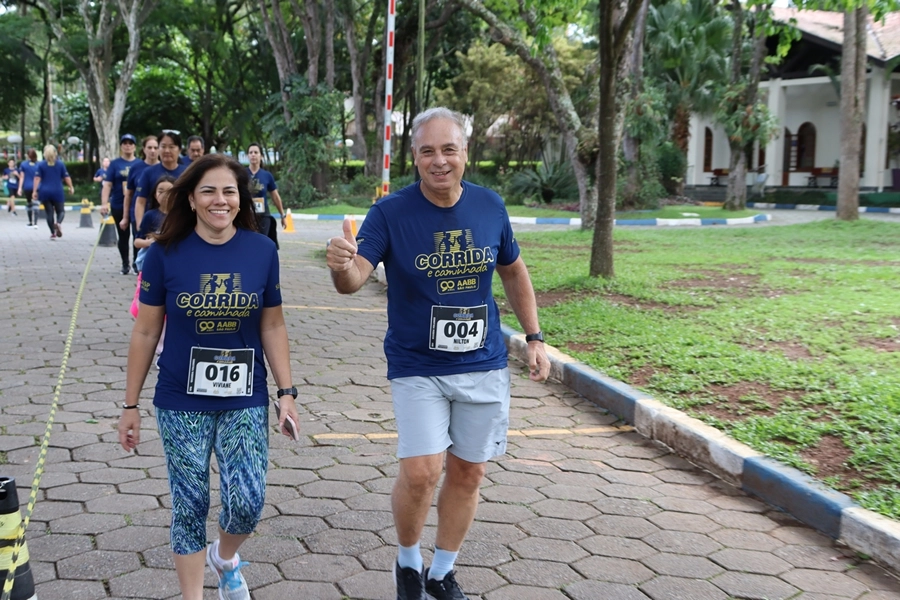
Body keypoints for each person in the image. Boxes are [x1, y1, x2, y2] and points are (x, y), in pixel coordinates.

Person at [326, 107, 550, 600]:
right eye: (428, 151)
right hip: (417, 364)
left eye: (449, 149)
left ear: (466, 153)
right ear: (415, 157)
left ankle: (442, 571)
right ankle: (408, 562)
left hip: (482, 362)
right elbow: (354, 280)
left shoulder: (490, 207)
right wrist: (341, 265)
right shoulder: (391, 213)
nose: (439, 160)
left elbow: (513, 271)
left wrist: (533, 337)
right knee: (422, 471)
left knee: (469, 471)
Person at [117, 154, 299, 600]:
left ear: (242, 198)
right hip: (181, 399)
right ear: (192, 200)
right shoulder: (163, 254)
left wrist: (287, 392)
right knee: (190, 504)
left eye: (229, 191)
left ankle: (225, 555)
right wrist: (130, 405)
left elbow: (272, 324)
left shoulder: (262, 251)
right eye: (209, 191)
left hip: (245, 397)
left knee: (248, 502)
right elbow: (145, 330)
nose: (220, 200)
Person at [101, 134, 140, 274]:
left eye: (131, 143)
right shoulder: (115, 164)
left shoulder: (140, 164)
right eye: (125, 143)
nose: (128, 145)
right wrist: (104, 203)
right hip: (118, 204)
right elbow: (107, 185)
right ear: (121, 146)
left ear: (135, 146)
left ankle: (137, 263)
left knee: (138, 235)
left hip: (137, 205)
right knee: (123, 236)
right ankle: (125, 264)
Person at [134, 131, 187, 229]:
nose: (167, 150)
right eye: (163, 146)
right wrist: (140, 226)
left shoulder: (187, 172)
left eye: (171, 147)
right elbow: (140, 201)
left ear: (179, 150)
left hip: (180, 224)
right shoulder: (148, 172)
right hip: (154, 225)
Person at [124, 136, 161, 271]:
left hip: (160, 214)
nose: (152, 151)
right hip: (139, 212)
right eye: (149, 147)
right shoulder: (136, 168)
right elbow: (129, 194)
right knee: (139, 239)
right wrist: (125, 217)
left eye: (156, 147)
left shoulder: (164, 168)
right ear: (143, 149)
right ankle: (138, 265)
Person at [246, 143, 287, 247]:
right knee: (248, 243)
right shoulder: (242, 174)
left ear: (261, 156)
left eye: (256, 152)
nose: (253, 155)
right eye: (250, 153)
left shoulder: (267, 175)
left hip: (263, 217)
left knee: (262, 244)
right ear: (247, 156)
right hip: (246, 216)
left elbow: (275, 197)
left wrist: (283, 215)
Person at [33, 145, 75, 240]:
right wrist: (71, 187)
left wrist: (34, 191)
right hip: (57, 190)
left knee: (49, 213)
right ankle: (58, 223)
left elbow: (37, 178)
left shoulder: (41, 165)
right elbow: (66, 177)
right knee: (61, 211)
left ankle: (53, 233)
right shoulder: (60, 164)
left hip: (44, 191)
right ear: (55, 153)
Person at [17, 150, 39, 227]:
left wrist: (19, 188)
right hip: (37, 186)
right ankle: (36, 223)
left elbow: (22, 177)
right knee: (36, 204)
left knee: (29, 203)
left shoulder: (23, 164)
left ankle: (30, 222)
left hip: (27, 187)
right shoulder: (39, 164)